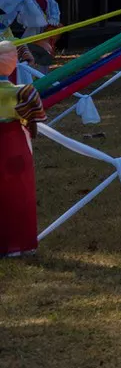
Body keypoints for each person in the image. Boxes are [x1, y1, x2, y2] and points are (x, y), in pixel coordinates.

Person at [0, 39, 45, 257]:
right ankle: (20, 243)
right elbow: (34, 127)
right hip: (15, 145)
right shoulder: (25, 92)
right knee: (19, 193)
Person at [20, 0, 58, 67]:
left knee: (45, 48)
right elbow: (24, 13)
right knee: (30, 47)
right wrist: (37, 20)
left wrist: (54, 18)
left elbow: (54, 7)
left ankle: (42, 71)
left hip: (46, 27)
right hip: (34, 27)